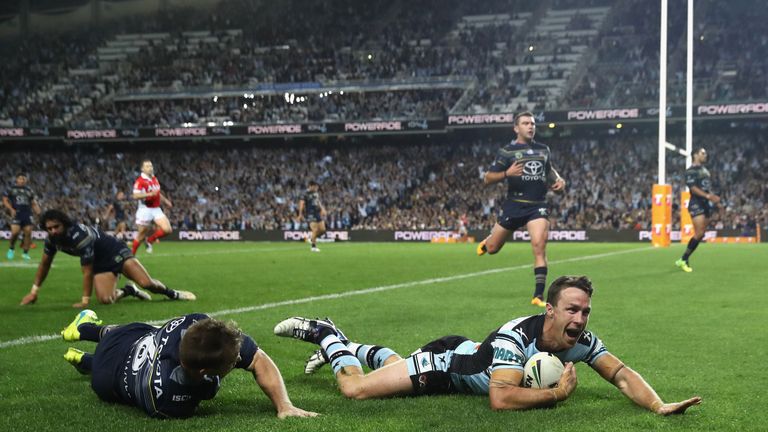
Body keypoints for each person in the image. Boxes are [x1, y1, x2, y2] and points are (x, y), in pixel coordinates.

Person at [277, 276, 701, 414]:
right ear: (549, 310)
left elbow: (622, 374)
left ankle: (352, 345)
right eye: (572, 310)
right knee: (355, 389)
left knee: (394, 368)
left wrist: (659, 405)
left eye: (586, 311)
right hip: (444, 366)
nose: (580, 319)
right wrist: (555, 394)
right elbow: (500, 398)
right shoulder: (516, 335)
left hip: (462, 357)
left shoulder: (580, 341)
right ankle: (326, 334)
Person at [61, 310, 318, 419]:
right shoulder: (170, 402)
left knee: (141, 331)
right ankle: (83, 336)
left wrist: (284, 405)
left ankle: (84, 351)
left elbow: (258, 358)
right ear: (205, 371)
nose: (237, 362)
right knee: (111, 356)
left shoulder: (195, 325)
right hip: (107, 379)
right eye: (232, 363)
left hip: (131, 340)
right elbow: (204, 388)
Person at [476, 112, 566, 307]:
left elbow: (549, 171)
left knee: (539, 247)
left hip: (538, 206)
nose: (530, 126)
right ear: (516, 128)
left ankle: (538, 296)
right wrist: (506, 173)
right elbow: (487, 178)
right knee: (493, 249)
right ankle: (488, 241)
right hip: (514, 205)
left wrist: (560, 182)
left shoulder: (544, 150)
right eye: (526, 123)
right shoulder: (507, 152)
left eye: (532, 123)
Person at [19, 209, 195, 308]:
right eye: (49, 228)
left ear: (64, 224)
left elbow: (87, 272)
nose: (53, 231)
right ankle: (128, 291)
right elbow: (44, 264)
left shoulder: (80, 236)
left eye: (56, 227)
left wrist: (85, 301)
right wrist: (33, 291)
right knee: (105, 300)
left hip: (115, 251)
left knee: (147, 284)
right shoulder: (51, 240)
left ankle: (173, 294)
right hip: (100, 263)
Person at [676, 148, 722, 272]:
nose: (705, 155)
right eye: (703, 153)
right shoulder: (690, 171)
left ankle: (684, 259)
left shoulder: (705, 171)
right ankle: (683, 259)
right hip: (696, 203)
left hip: (706, 203)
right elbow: (693, 188)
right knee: (699, 233)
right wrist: (708, 196)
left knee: (701, 234)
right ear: (695, 155)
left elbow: (706, 188)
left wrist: (714, 200)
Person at [132, 160, 173, 255]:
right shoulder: (140, 181)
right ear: (142, 169)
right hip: (145, 209)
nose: (150, 168)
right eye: (147, 166)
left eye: (151, 166)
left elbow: (157, 192)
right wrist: (149, 193)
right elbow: (135, 196)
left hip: (156, 208)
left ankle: (150, 240)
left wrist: (166, 201)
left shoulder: (154, 178)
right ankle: (131, 256)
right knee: (141, 235)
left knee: (167, 230)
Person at [3, 173, 42, 260]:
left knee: (28, 233)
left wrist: (39, 212)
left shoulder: (29, 190)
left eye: (23, 179)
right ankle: (11, 249)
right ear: (16, 179)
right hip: (16, 213)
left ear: (26, 180)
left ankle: (25, 253)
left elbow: (33, 203)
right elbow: (5, 200)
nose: (22, 180)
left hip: (27, 214)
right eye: (20, 178)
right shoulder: (11, 189)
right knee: (15, 233)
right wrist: (11, 209)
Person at [298, 181, 327, 252]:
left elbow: (318, 201)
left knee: (323, 230)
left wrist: (322, 209)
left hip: (317, 212)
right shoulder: (305, 194)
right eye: (315, 186)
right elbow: (301, 203)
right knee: (315, 230)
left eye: (316, 186)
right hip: (310, 213)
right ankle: (313, 247)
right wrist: (300, 214)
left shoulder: (316, 193)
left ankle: (311, 239)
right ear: (310, 186)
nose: (316, 188)